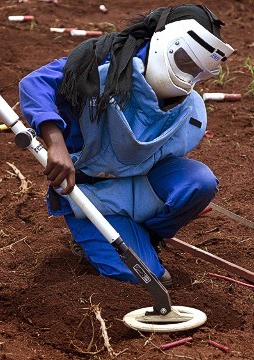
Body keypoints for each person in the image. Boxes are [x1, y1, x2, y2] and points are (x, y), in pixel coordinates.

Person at [18, 4, 234, 286]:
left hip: (143, 182)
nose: (189, 76)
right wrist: (55, 142)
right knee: (148, 277)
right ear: (165, 43)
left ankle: (148, 235)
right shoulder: (99, 66)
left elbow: (171, 163)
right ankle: (105, 239)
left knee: (199, 182)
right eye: (186, 62)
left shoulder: (189, 111)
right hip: (90, 193)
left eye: (197, 70)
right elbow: (35, 84)